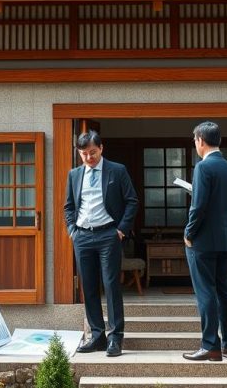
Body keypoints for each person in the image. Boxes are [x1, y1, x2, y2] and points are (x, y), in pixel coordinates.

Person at [63, 130, 138, 357]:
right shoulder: (74, 174)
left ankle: (115, 338)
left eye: (93, 152)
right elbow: (69, 206)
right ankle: (97, 336)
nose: (89, 157)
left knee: (111, 286)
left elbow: (132, 201)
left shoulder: (117, 170)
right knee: (88, 287)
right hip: (83, 236)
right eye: (84, 154)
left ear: (101, 148)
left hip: (108, 235)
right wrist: (72, 230)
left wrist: (121, 230)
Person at [182, 121, 227, 361]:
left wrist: (189, 232)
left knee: (205, 292)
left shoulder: (203, 167)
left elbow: (199, 206)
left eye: (195, 140)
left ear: (201, 141)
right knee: (224, 291)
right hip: (224, 236)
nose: (196, 144)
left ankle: (210, 345)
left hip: (203, 239)